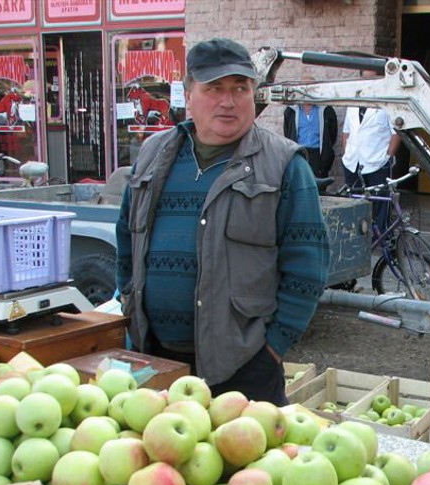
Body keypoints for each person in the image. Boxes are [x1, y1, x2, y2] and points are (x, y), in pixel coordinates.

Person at [115, 37, 330, 406]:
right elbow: (126, 241)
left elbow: (307, 269)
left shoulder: (284, 164)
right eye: (214, 88)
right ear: (189, 94)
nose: (228, 101)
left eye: (240, 88)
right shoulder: (153, 154)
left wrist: (273, 348)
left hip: (243, 370)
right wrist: (130, 305)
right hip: (156, 361)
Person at [341, 69, 401, 237]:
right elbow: (346, 131)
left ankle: (382, 240)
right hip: (353, 163)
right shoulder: (353, 103)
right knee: (354, 204)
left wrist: (388, 156)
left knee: (381, 204)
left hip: (377, 162)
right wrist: (346, 152)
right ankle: (357, 239)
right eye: (365, 79)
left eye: (372, 79)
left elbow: (397, 133)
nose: (368, 83)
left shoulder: (387, 103)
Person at [283, 77, 338, 188]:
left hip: (318, 156)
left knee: (318, 190)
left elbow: (332, 134)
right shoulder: (291, 111)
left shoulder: (326, 110)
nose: (307, 91)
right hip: (299, 154)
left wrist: (326, 155)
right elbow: (287, 133)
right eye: (304, 88)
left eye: (311, 88)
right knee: (299, 188)